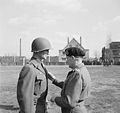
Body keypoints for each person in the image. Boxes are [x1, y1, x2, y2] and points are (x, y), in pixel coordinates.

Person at [17, 37, 55, 113]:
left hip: (41, 108)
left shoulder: (41, 66)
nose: (48, 53)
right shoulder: (29, 68)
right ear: (38, 50)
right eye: (46, 50)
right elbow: (25, 97)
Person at [50, 47, 91, 113]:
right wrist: (54, 80)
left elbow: (69, 102)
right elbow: (71, 87)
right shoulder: (83, 70)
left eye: (67, 59)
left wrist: (55, 98)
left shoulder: (77, 74)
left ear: (73, 58)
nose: (66, 61)